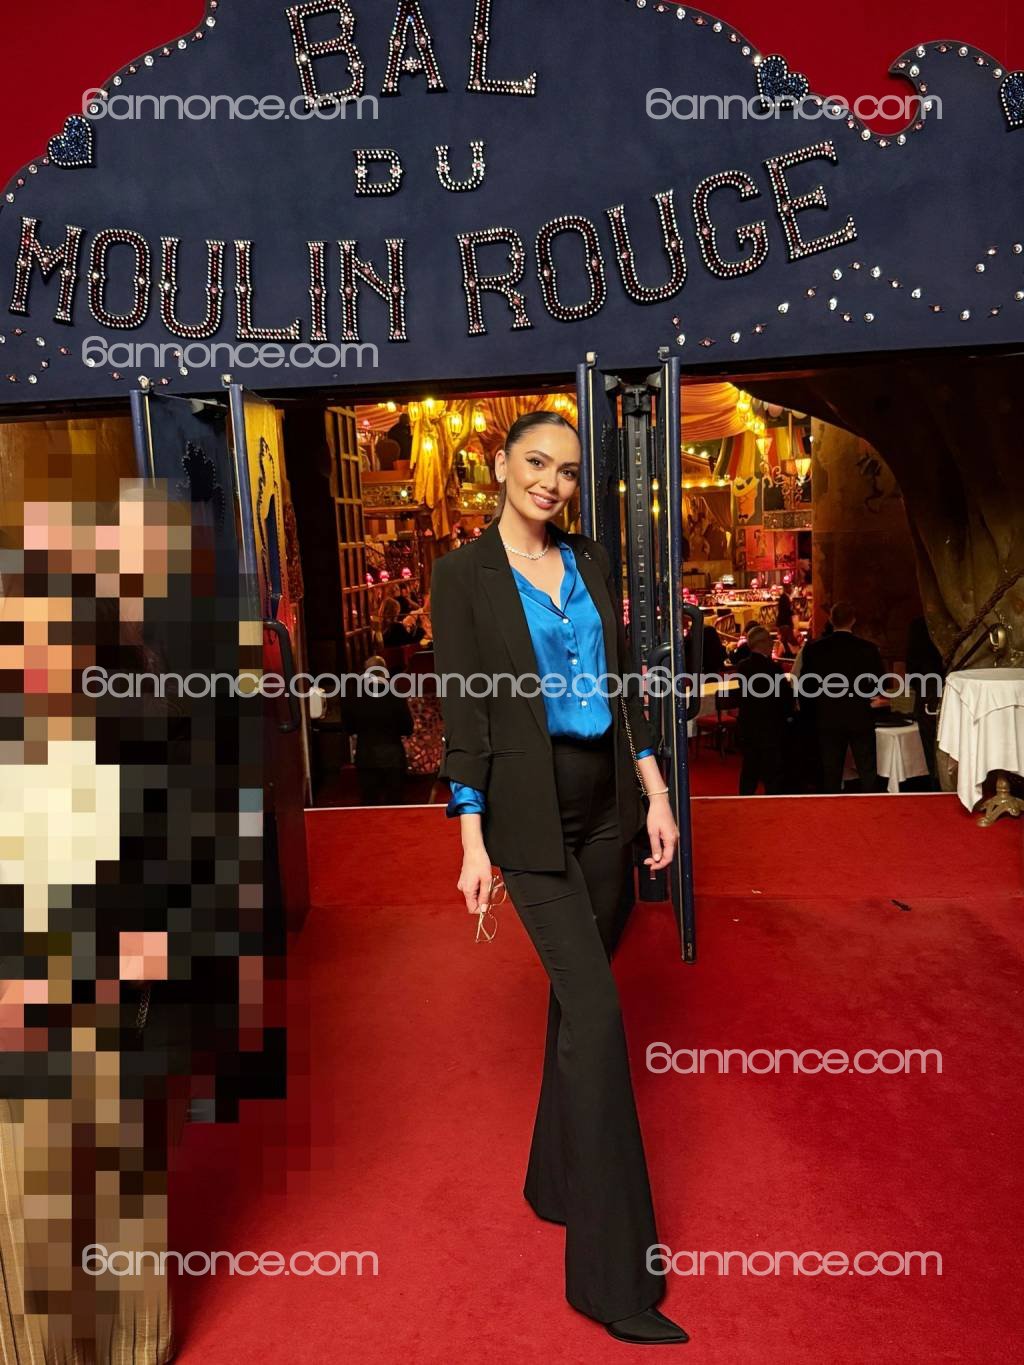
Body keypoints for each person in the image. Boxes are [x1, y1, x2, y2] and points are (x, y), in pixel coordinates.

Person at [430, 412, 688, 1346]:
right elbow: (465, 713)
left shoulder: (590, 562)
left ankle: (552, 1179)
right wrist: (472, 841)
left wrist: (657, 794)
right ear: (501, 465)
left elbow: (624, 686)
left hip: (610, 806)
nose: (551, 481)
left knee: (578, 1004)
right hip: (529, 818)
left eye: (568, 471)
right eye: (536, 462)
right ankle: (614, 1282)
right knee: (601, 1015)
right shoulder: (462, 575)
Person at [798, 601, 884, 792]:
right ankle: (871, 804)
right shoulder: (868, 649)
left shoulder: (814, 649)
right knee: (867, 768)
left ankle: (832, 806)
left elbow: (806, 687)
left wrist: (811, 714)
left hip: (827, 715)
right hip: (859, 714)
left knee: (831, 771)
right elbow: (880, 683)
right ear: (853, 621)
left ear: (831, 619)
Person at [341, 655, 414, 804]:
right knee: (395, 804)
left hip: (366, 756)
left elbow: (349, 728)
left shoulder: (354, 697)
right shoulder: (395, 696)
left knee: (370, 804)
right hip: (393, 756)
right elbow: (407, 728)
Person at [734, 624, 793, 795]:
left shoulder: (743, 667)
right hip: (770, 725)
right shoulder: (773, 668)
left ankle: (744, 799)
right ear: (762, 643)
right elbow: (784, 697)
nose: (772, 643)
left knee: (749, 768)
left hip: (748, 723)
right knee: (771, 771)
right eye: (769, 640)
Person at [905, 616, 945, 787]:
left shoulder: (919, 626)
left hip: (928, 691)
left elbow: (912, 666)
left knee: (930, 744)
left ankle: (936, 784)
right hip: (943, 686)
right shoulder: (944, 624)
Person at [776, 583, 800, 657]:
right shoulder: (784, 597)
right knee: (784, 638)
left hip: (785, 621)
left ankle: (783, 652)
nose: (791, 589)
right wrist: (793, 611)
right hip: (784, 622)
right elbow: (785, 611)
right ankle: (783, 651)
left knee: (785, 639)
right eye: (790, 588)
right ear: (786, 589)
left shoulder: (785, 597)